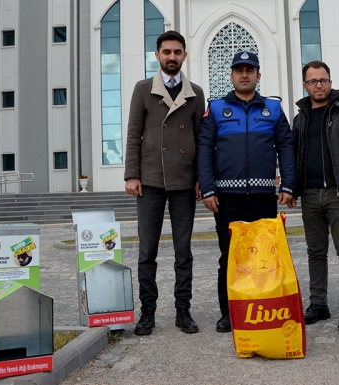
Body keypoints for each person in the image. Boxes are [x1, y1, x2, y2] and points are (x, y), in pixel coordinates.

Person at [197, 51, 296, 333]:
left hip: (265, 198)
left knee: (265, 257)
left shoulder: (273, 109)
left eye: (249, 70)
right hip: (226, 200)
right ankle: (230, 313)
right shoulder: (215, 109)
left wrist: (288, 185)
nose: (244, 74)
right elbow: (204, 149)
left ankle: (263, 308)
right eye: (239, 70)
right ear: (231, 75)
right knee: (230, 257)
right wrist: (207, 188)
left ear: (258, 75)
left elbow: (286, 148)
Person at [124, 30, 205, 335]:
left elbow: (200, 139)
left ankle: (183, 310)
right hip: (150, 180)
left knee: (183, 250)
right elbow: (133, 134)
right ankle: (148, 312)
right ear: (157, 55)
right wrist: (132, 174)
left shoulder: (195, 92)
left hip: (184, 181)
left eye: (177, 52)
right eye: (166, 52)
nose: (172, 57)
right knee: (148, 250)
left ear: (184, 55)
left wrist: (201, 179)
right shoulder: (143, 89)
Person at [288, 60, 339, 330]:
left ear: (330, 82)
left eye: (323, 80)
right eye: (313, 81)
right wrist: (291, 188)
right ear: (305, 85)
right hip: (310, 195)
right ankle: (319, 305)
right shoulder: (300, 119)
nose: (319, 85)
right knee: (315, 252)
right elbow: (293, 157)